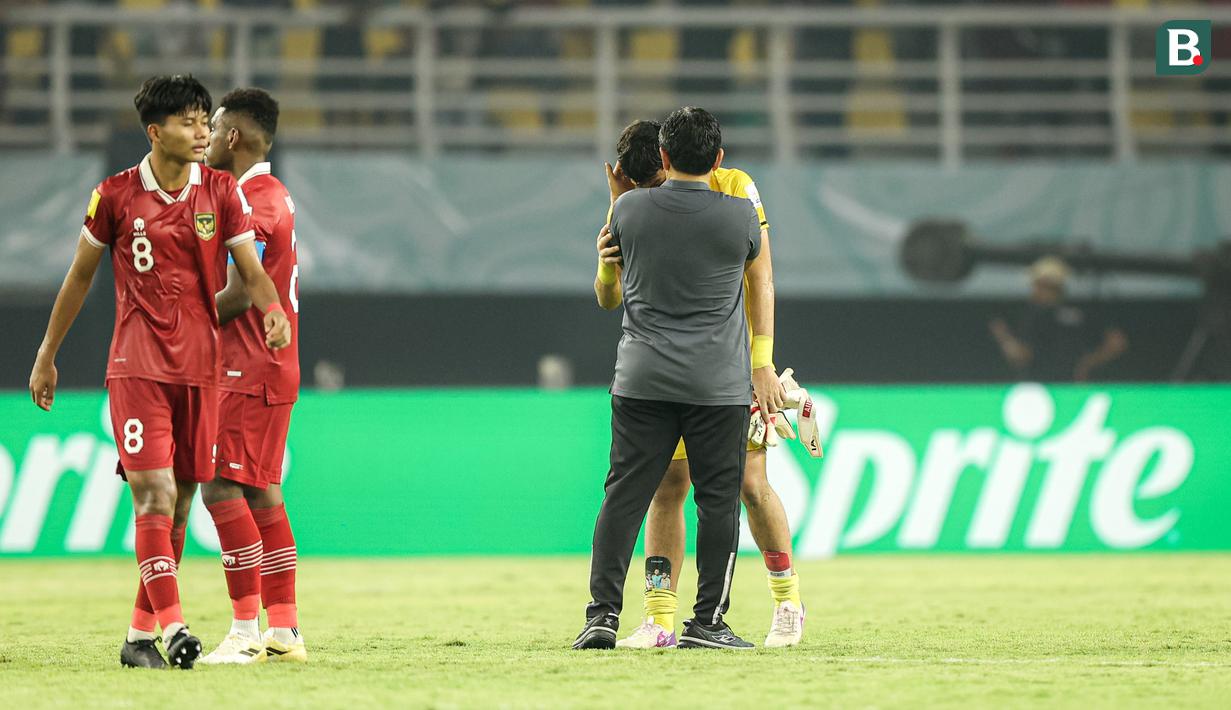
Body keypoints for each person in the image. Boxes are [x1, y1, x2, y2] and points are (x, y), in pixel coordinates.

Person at [28, 75, 290, 670]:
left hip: (202, 370)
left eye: (206, 120)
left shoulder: (222, 191)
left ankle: (138, 636)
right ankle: (175, 630)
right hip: (137, 366)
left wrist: (272, 309)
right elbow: (79, 277)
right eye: (190, 122)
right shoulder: (115, 195)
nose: (203, 132)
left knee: (178, 504)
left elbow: (250, 268)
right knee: (154, 492)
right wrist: (47, 353)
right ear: (156, 131)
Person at [594, 119, 804, 648]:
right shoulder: (643, 205)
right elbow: (611, 291)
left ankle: (788, 601)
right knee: (668, 487)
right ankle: (661, 617)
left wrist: (763, 363)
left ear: (666, 161)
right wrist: (616, 215)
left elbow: (762, 278)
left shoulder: (735, 186)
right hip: (681, 373)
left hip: (735, 362)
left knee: (750, 485)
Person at [198, 88, 305, 665]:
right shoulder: (272, 193)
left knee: (218, 484)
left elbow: (245, 288)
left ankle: (244, 632)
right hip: (267, 366)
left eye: (213, 128)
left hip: (249, 365)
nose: (207, 138)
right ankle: (283, 631)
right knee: (263, 490)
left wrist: (181, 322)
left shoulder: (253, 199)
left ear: (233, 136)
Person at [989, 256, 1128, 382]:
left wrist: (1003, 336)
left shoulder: (1037, 315)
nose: (1033, 290)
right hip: (1076, 388)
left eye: (1036, 284)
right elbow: (1116, 342)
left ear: (1045, 285)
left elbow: (1020, 357)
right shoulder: (1083, 311)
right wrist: (1087, 365)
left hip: (1044, 391)